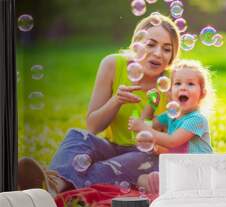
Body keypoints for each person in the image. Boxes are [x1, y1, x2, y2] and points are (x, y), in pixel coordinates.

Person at [17, 14, 181, 196]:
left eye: (166, 49)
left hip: (146, 156)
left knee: (112, 165)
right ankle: (54, 183)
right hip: (111, 147)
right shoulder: (113, 64)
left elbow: (174, 143)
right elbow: (93, 126)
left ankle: (55, 186)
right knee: (78, 136)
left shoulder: (174, 83)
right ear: (137, 44)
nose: (158, 53)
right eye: (151, 44)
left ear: (173, 55)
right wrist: (116, 100)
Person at [129, 59, 214, 193]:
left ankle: (165, 191)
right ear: (169, 92)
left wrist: (142, 127)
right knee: (142, 179)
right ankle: (165, 190)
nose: (183, 87)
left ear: (202, 93)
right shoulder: (170, 115)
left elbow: (172, 141)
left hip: (198, 174)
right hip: (179, 172)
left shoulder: (197, 119)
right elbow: (149, 126)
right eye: (177, 83)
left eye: (190, 84)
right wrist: (152, 105)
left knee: (152, 180)